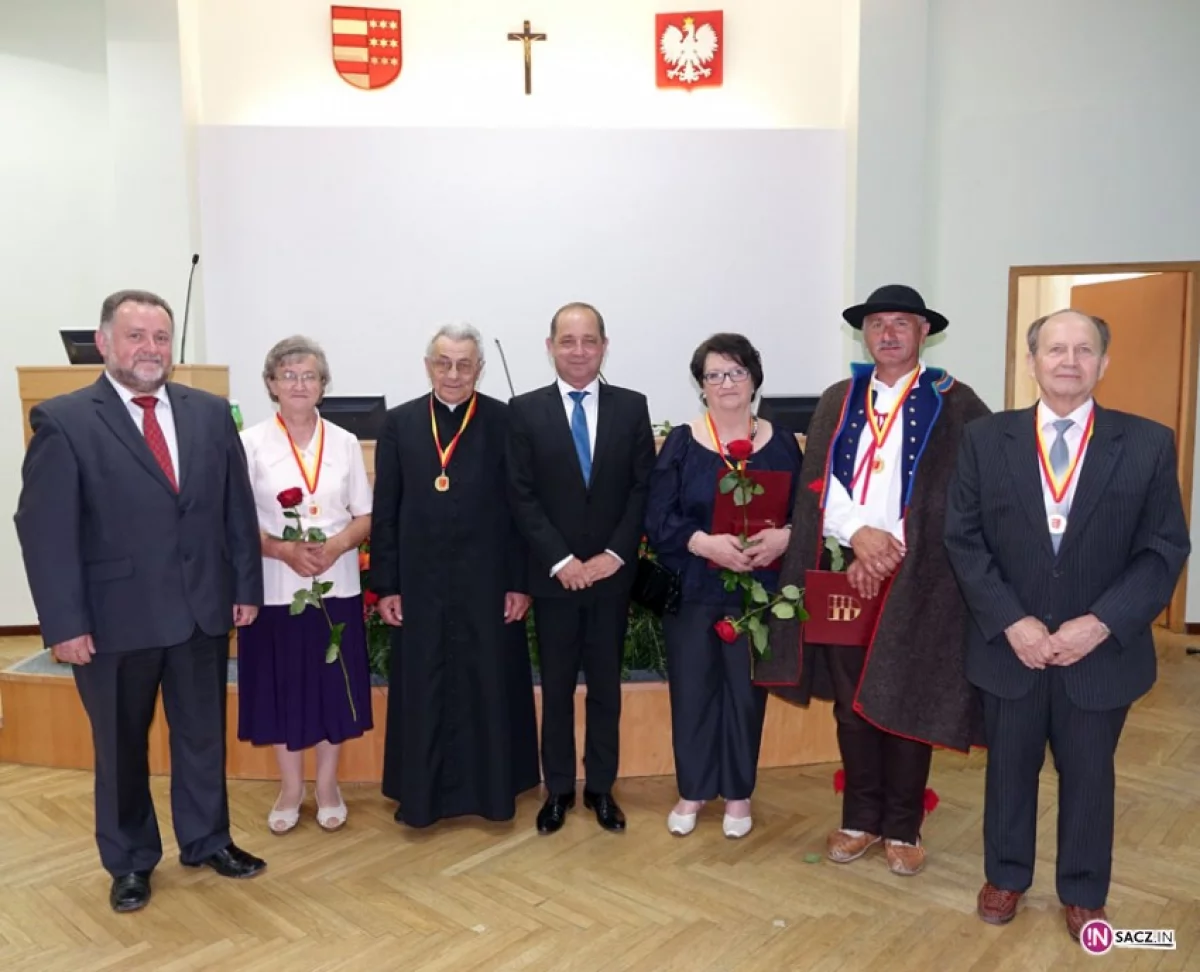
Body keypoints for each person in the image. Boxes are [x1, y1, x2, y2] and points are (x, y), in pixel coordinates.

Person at [14, 289, 266, 914]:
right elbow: (44, 531)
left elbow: (236, 509)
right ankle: (129, 861)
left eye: (160, 338)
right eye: (135, 336)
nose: (150, 349)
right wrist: (63, 624)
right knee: (122, 748)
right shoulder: (64, 420)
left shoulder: (209, 414)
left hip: (202, 609)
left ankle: (207, 839)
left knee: (202, 736)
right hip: (113, 622)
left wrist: (245, 588)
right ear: (103, 343)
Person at [944, 309, 1189, 939]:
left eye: (1084, 350)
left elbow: (1164, 548)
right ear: (1032, 363)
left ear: (1104, 364)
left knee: (1089, 774)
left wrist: (1101, 624)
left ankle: (1083, 890)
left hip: (1099, 653)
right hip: (1011, 648)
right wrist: (1013, 622)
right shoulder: (985, 440)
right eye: (1056, 349)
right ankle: (1006, 876)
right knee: (1008, 771)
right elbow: (964, 541)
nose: (1070, 361)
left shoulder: (1147, 443)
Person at [756, 284, 989, 876]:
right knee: (853, 707)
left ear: (923, 334)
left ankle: (904, 827)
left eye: (901, 323)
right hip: (846, 570)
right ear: (864, 333)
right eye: (878, 322)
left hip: (922, 578)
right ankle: (859, 820)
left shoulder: (957, 403)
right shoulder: (839, 398)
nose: (888, 333)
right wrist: (860, 536)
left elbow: (969, 495)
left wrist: (896, 549)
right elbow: (820, 485)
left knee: (909, 697)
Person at [371, 323, 539, 827]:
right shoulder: (399, 424)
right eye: (443, 363)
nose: (453, 374)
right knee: (423, 687)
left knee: (487, 683)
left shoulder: (505, 421)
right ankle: (420, 796)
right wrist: (388, 585)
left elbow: (521, 509)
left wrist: (520, 581)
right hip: (420, 586)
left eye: (465, 364)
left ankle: (493, 794)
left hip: (487, 585)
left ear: (479, 369)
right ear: (428, 365)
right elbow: (386, 511)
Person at [507, 301, 657, 835]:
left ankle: (601, 790)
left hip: (610, 578)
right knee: (557, 686)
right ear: (550, 347)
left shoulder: (631, 406)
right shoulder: (522, 411)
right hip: (555, 580)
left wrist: (613, 556)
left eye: (588, 340)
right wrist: (562, 561)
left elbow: (642, 487)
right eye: (567, 341)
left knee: (605, 690)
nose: (578, 351)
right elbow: (520, 496)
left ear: (604, 346)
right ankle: (559, 791)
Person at [645, 334, 802, 838]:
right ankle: (692, 789)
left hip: (759, 591)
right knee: (692, 689)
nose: (726, 383)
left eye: (735, 372)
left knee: (744, 692)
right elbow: (658, 516)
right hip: (694, 586)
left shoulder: (781, 443)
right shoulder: (683, 441)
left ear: (754, 378)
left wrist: (785, 537)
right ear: (701, 386)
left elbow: (806, 513)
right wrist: (701, 543)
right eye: (714, 375)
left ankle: (738, 793)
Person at [237, 336, 374, 834]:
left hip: (336, 587)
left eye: (309, 375)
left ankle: (329, 784)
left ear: (323, 385)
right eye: (288, 375)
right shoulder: (249, 444)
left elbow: (365, 516)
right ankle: (291, 788)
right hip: (275, 589)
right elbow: (235, 523)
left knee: (331, 689)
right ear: (271, 384)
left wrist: (337, 546)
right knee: (282, 690)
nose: (299, 384)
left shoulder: (343, 442)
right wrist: (280, 549)